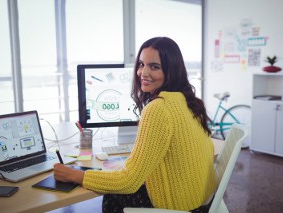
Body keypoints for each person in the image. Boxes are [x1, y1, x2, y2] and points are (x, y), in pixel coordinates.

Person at [54, 37, 215, 212]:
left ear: (172, 71)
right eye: (140, 64)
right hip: (201, 203)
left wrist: (75, 175)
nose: (143, 73)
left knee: (113, 193)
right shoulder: (189, 101)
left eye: (154, 66)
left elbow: (128, 182)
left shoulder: (158, 108)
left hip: (177, 209)